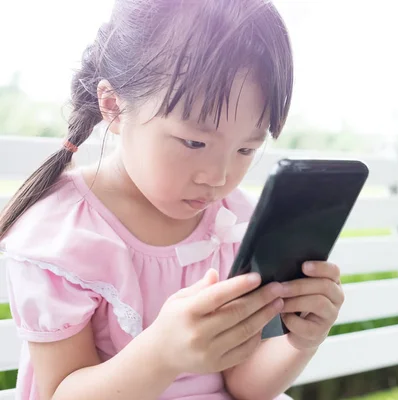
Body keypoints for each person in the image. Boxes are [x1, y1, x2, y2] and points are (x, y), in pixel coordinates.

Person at [0, 1, 345, 399]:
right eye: (194, 142)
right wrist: (163, 355)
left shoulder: (233, 219)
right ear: (113, 106)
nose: (218, 178)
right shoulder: (65, 235)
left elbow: (242, 384)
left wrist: (301, 341)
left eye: (247, 150)